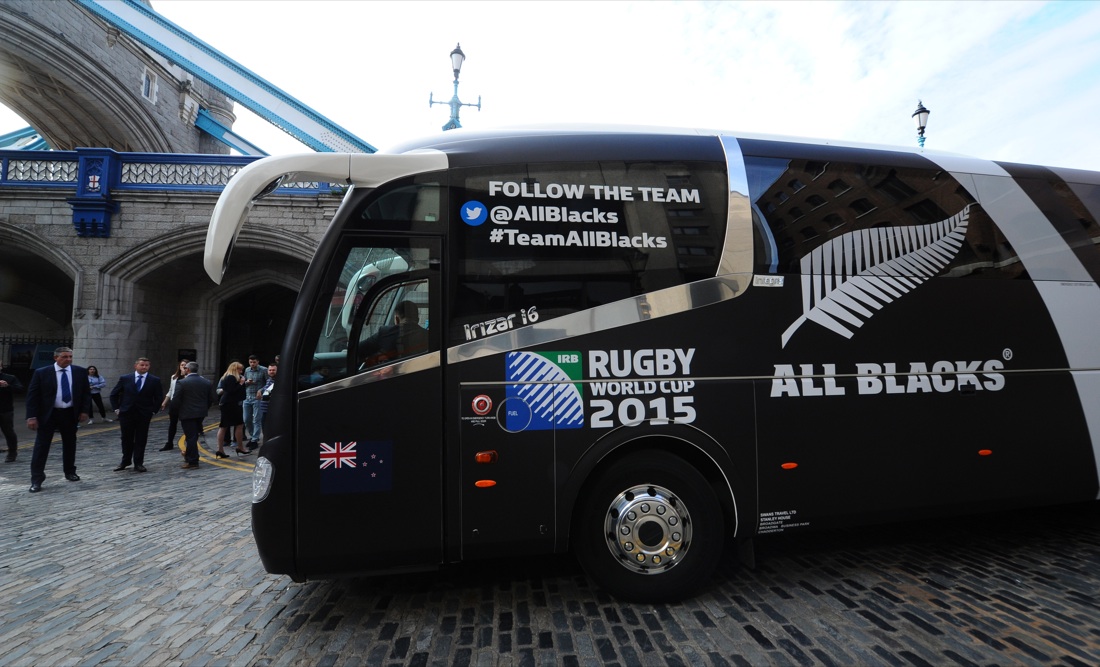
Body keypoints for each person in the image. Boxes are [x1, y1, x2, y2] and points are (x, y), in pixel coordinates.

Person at [25, 347, 91, 492]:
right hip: (48, 415)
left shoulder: (79, 372)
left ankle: (70, 471)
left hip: (69, 414)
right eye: (65, 357)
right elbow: (32, 396)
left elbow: (86, 393)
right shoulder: (42, 373)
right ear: (55, 358)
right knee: (41, 447)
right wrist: (31, 416)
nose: (68, 359)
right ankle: (36, 479)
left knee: (70, 443)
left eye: (70, 357)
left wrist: (85, 411)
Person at [109, 357, 164, 473]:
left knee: (141, 438)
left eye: (146, 365)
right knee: (126, 438)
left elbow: (159, 397)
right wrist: (117, 409)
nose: (144, 367)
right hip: (126, 413)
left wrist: (153, 410)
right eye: (142, 365)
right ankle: (125, 461)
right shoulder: (125, 378)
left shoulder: (154, 380)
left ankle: (138, 463)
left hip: (144, 414)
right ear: (136, 366)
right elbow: (114, 394)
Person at [359, 300, 429, 368]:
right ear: (418, 320)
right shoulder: (428, 336)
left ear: (397, 319)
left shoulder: (385, 332)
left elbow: (359, 349)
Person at [171, 361, 213, 469]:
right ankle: (189, 456)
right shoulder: (206, 382)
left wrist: (177, 412)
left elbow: (175, 400)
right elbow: (210, 400)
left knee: (191, 437)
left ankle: (193, 461)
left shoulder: (182, 382)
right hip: (200, 413)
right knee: (193, 436)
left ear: (188, 370)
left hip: (187, 413)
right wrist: (203, 409)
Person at [215, 361, 250, 458]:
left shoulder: (228, 377)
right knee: (237, 425)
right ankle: (239, 447)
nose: (241, 371)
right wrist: (241, 383)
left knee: (225, 426)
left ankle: (221, 449)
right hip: (231, 404)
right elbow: (231, 391)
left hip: (229, 403)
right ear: (235, 369)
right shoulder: (231, 377)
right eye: (240, 369)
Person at [159, 359, 190, 451]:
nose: (183, 367)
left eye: (185, 365)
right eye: (182, 365)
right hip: (174, 403)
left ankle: (189, 443)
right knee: (172, 424)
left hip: (184, 404)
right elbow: (171, 390)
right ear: (179, 366)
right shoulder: (174, 377)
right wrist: (164, 402)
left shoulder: (189, 378)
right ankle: (169, 443)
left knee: (186, 425)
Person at [0, 359, 24, 463]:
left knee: (8, 432)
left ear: (1, 366)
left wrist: (7, 386)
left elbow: (20, 389)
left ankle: (12, 452)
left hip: (5, 410)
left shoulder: (9, 378)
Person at [241, 354, 267, 449]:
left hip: (258, 398)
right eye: (251, 362)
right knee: (246, 419)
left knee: (256, 419)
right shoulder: (247, 370)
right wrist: (247, 382)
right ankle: (252, 436)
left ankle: (254, 439)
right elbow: (243, 382)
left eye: (254, 362)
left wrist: (261, 390)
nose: (252, 364)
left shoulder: (264, 370)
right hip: (247, 397)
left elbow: (269, 383)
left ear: (258, 362)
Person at [252, 363, 277, 449]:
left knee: (270, 429)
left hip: (271, 409)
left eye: (273, 370)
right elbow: (266, 388)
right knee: (264, 428)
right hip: (264, 409)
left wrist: (262, 395)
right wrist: (260, 390)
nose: (271, 372)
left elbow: (269, 394)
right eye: (270, 370)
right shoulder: (269, 379)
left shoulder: (277, 381)